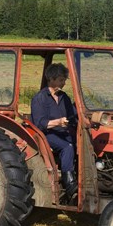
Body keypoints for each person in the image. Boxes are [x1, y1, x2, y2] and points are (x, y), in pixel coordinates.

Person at [31, 63, 77, 204]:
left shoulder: (64, 98)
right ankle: (70, 186)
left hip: (63, 132)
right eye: (61, 80)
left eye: (64, 80)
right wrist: (57, 122)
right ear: (51, 79)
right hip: (47, 134)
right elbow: (40, 123)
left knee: (82, 143)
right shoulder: (40, 98)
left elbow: (73, 116)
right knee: (67, 146)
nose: (63, 83)